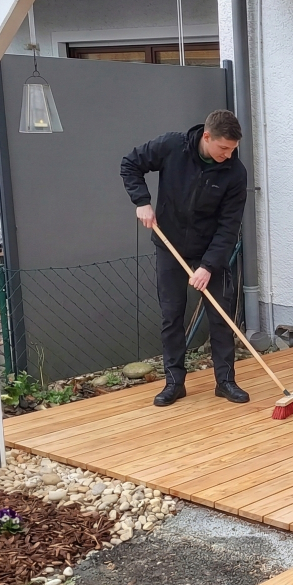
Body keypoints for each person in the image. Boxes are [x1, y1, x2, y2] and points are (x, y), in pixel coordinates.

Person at [122, 109, 249, 407]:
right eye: (223, 148)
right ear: (207, 137)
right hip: (171, 245)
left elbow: (230, 225)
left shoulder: (235, 173)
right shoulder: (172, 147)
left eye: (233, 150)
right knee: (172, 316)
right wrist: (141, 201)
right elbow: (130, 164)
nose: (228, 155)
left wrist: (208, 266)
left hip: (210, 250)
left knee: (221, 316)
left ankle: (226, 382)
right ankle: (174, 383)